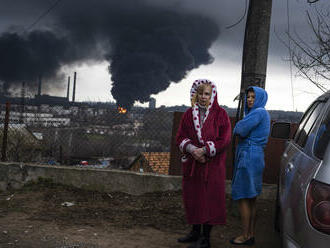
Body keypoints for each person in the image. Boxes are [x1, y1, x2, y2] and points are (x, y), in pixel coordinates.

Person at [176, 79, 231, 248]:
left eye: (207, 94)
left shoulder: (221, 114)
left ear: (212, 95)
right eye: (200, 93)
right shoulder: (188, 114)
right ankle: (195, 232)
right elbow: (180, 137)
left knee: (209, 199)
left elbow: (225, 139)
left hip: (212, 166)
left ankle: (206, 238)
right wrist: (193, 149)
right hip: (193, 165)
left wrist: (206, 150)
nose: (203, 97)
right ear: (195, 94)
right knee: (194, 198)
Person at [230, 86, 270, 246]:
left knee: (243, 197)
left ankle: (245, 236)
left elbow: (240, 129)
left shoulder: (258, 112)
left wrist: (237, 126)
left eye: (253, 97)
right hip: (256, 156)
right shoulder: (261, 113)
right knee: (251, 197)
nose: (250, 99)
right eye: (248, 97)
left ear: (260, 98)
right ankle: (250, 234)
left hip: (249, 156)